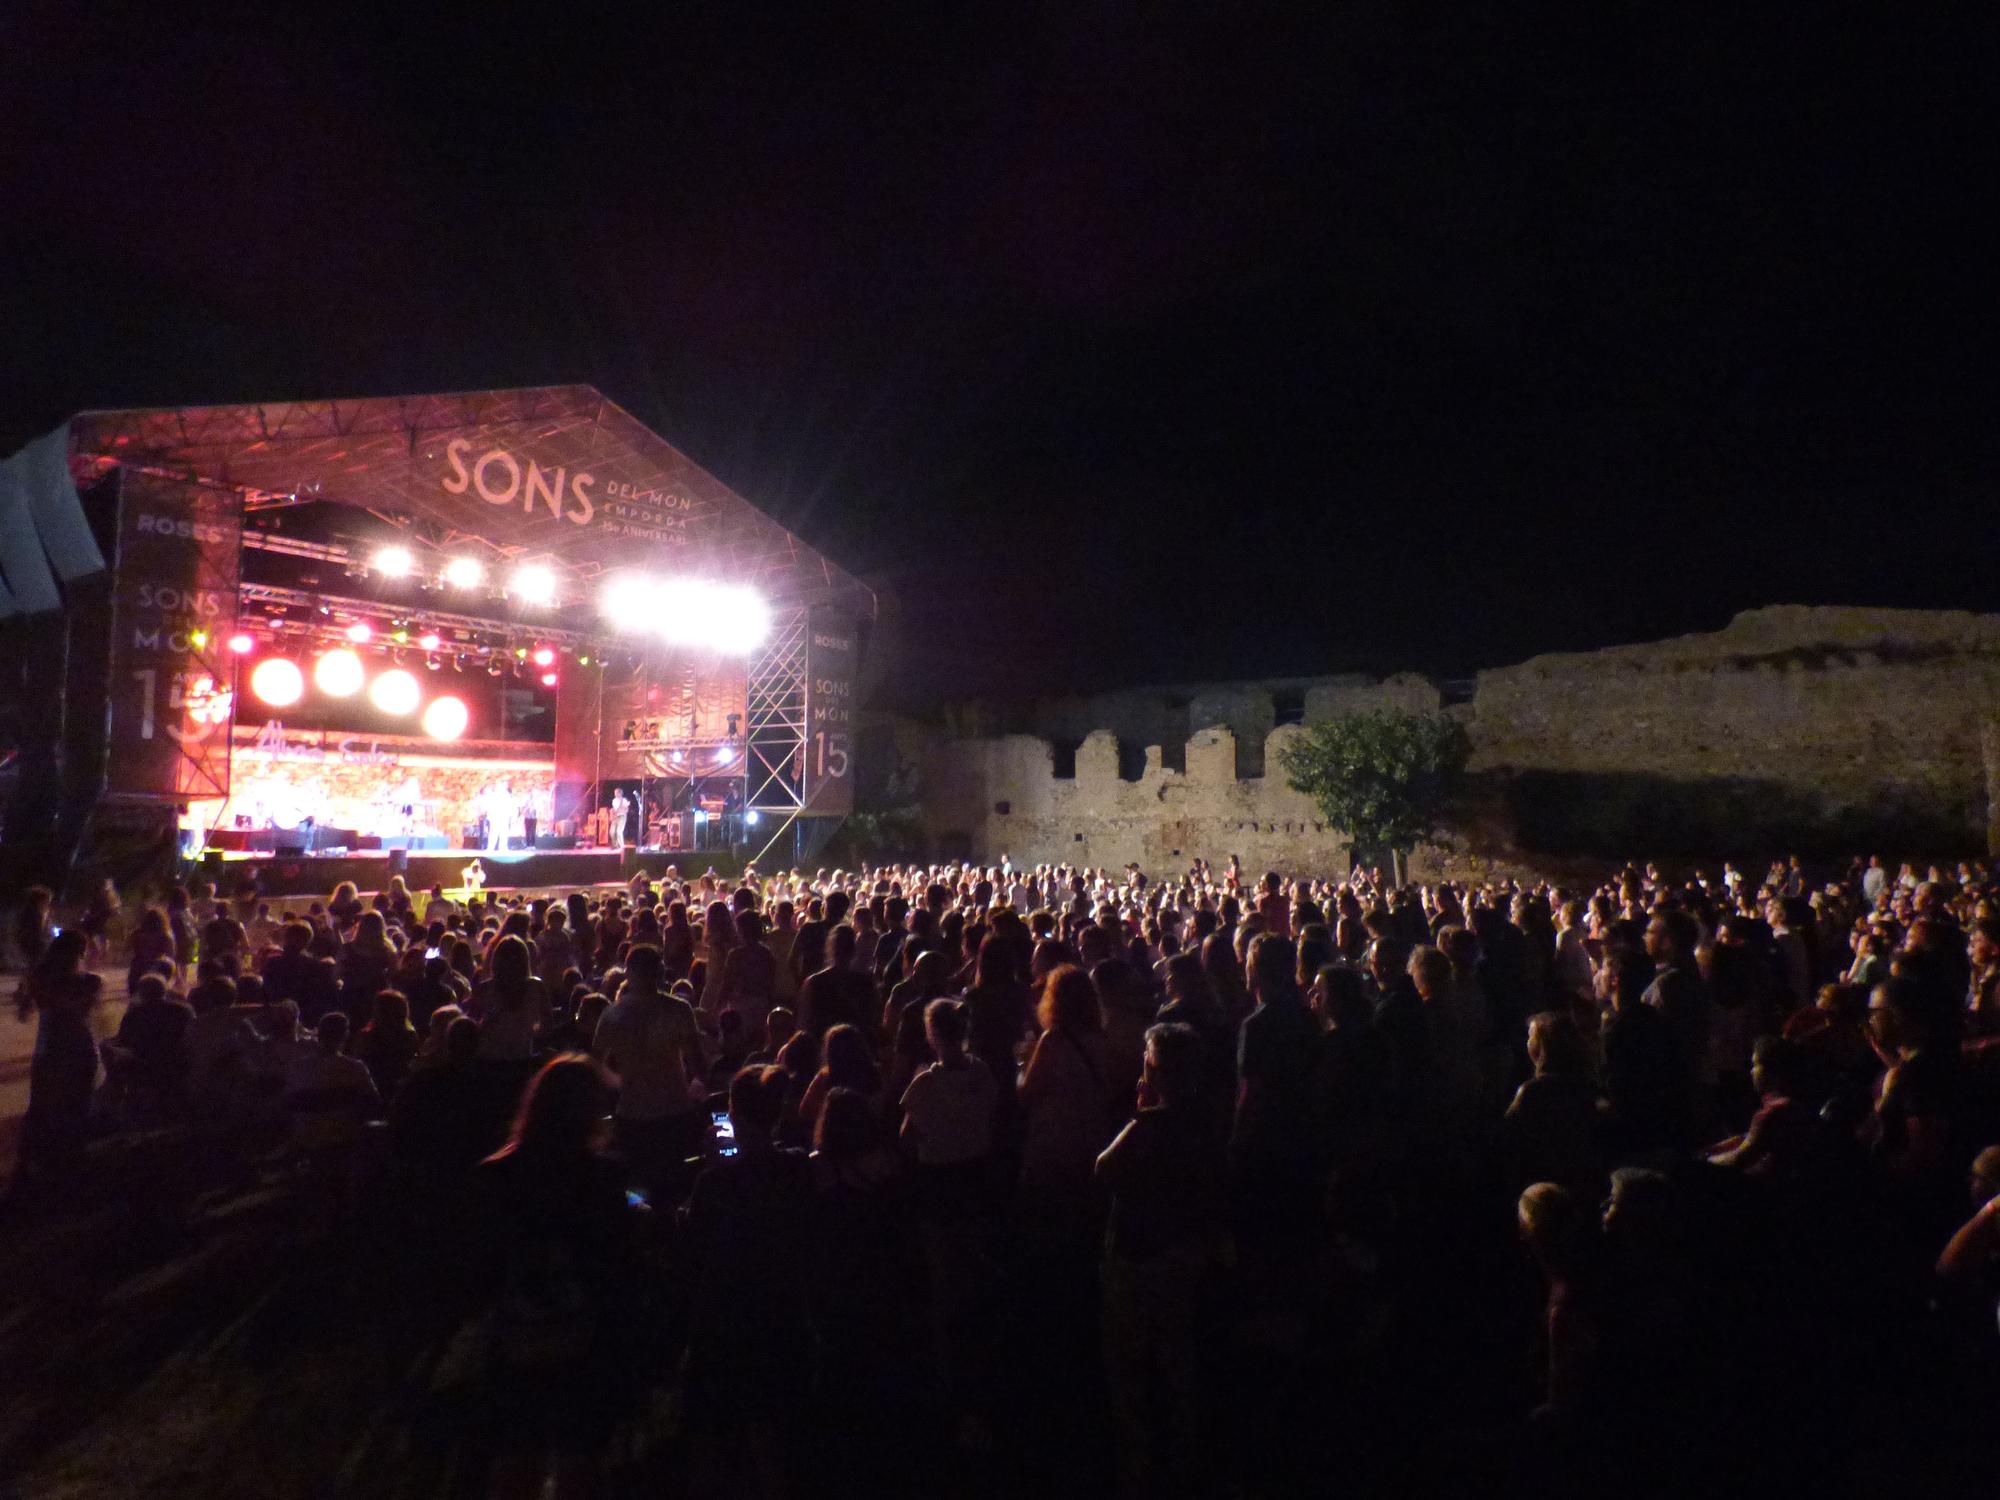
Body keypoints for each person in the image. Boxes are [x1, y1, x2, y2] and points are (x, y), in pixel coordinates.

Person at [464, 1055, 642, 1500]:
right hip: (584, 1336)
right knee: (578, 1460)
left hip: (514, 1336)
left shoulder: (496, 1175)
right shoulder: (602, 1176)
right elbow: (617, 1262)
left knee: (515, 1460)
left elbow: (478, 1264)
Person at [1097, 1021, 1224, 1497]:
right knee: (1178, 1360)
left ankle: (1138, 1470)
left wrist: (1139, 1113)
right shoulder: (1208, 1120)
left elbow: (1104, 1170)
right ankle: (1185, 1460)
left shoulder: (1150, 1125)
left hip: (1139, 1255)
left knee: (1129, 1367)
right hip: (1186, 1251)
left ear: (1156, 1069)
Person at [591, 944, 706, 1202]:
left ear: (629, 973)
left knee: (635, 1185)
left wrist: (619, 1083)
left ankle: (641, 1234)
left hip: (631, 1110)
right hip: (673, 1107)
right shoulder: (678, 1009)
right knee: (671, 1183)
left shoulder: (612, 1014)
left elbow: (595, 1065)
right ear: (659, 972)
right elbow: (697, 1062)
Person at [12, 930, 103, 1191]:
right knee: (77, 1103)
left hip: (48, 1044)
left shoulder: (41, 977)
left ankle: (29, 1165)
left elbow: (23, 1011)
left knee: (42, 1103)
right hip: (76, 1045)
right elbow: (85, 1011)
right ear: (80, 953)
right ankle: (70, 1165)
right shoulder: (89, 982)